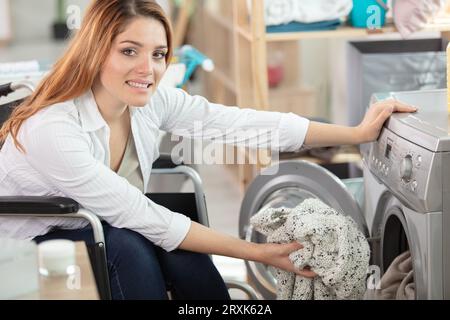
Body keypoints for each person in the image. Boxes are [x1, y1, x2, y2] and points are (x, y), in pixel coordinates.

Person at [0, 0, 416, 300]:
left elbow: (240, 123)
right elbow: (139, 214)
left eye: (159, 54)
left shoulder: (148, 100)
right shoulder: (54, 129)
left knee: (179, 248)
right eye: (129, 51)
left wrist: (357, 132)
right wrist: (259, 252)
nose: (149, 69)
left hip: (105, 220)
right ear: (95, 51)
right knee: (135, 248)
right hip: (33, 239)